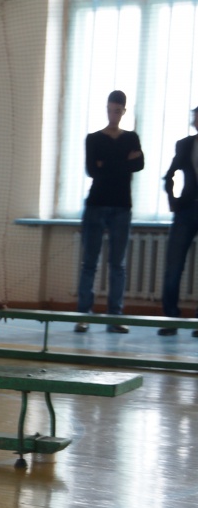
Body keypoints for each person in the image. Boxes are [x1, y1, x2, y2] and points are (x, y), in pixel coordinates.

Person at [75, 90, 144, 333]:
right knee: (89, 263)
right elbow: (92, 170)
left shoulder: (131, 137)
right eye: (109, 110)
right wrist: (124, 161)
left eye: (117, 111)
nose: (112, 115)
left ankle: (115, 316)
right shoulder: (93, 138)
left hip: (122, 206)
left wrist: (108, 162)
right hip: (96, 205)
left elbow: (140, 164)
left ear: (123, 111)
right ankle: (83, 315)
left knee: (118, 264)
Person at [159, 105, 198, 337]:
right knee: (174, 265)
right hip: (186, 209)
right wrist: (172, 201)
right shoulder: (185, 144)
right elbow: (169, 175)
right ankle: (170, 318)